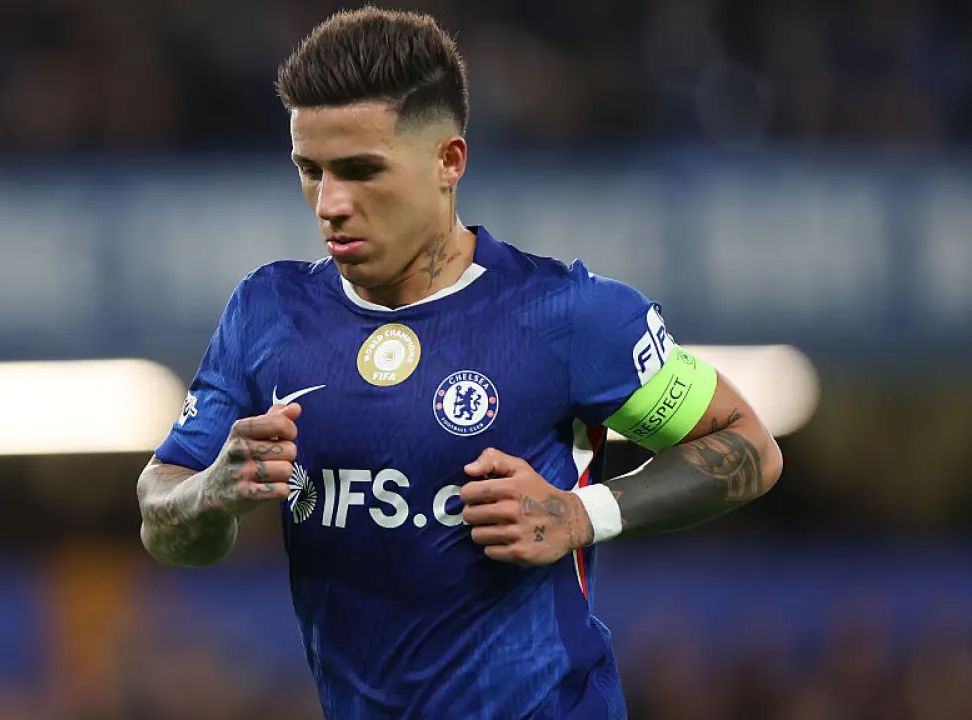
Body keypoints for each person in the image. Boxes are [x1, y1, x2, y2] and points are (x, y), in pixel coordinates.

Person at [137, 7, 783, 719]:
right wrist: (210, 493)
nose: (330, 203)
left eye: (361, 170)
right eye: (309, 170)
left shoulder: (567, 315)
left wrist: (582, 512)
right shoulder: (266, 312)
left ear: (449, 162)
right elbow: (165, 518)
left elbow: (749, 444)